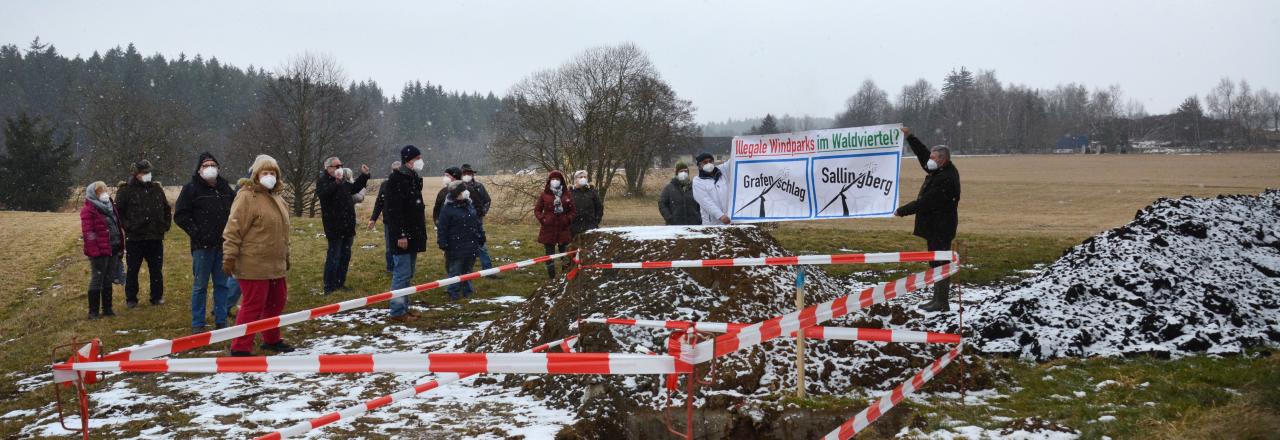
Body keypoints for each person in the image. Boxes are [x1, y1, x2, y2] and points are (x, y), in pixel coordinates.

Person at [223, 154, 294, 356]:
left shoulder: (278, 198)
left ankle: (271, 339)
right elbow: (233, 229)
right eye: (265, 172)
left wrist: (286, 256)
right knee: (253, 305)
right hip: (252, 262)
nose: (269, 176)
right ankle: (240, 346)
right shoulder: (246, 196)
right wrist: (229, 256)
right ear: (256, 175)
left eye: (273, 173)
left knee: (276, 302)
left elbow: (282, 232)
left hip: (275, 263)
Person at [893, 127, 962, 312]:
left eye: (933, 158)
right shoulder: (939, 169)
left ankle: (941, 302)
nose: (929, 161)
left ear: (943, 159)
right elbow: (923, 155)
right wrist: (910, 137)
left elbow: (925, 202)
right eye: (930, 157)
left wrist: (901, 211)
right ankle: (937, 299)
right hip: (934, 228)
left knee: (940, 263)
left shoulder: (946, 178)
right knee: (935, 262)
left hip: (941, 228)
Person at [174, 152, 240, 332]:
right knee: (200, 286)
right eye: (205, 165)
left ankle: (221, 320)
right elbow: (181, 215)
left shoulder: (225, 188)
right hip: (202, 247)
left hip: (223, 244)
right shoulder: (191, 189)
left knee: (222, 284)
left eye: (213, 165)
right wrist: (196, 232)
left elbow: (236, 211)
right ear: (199, 169)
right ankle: (198, 323)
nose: (210, 168)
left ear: (218, 168)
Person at [116, 159, 171, 307]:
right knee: (133, 270)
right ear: (136, 174)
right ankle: (131, 299)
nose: (148, 175)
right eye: (144, 172)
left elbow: (166, 209)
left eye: (149, 172)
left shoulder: (157, 189)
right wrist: (129, 227)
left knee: (156, 270)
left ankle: (157, 297)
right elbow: (118, 213)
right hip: (135, 239)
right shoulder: (126, 190)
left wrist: (165, 225)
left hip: (155, 237)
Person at [383, 146, 429, 322]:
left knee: (408, 273)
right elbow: (394, 211)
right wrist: (400, 235)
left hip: (414, 233)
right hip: (403, 236)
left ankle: (404, 307)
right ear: (409, 159)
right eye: (418, 157)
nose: (421, 160)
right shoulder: (396, 179)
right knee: (401, 273)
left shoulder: (413, 177)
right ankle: (397, 311)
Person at [316, 156, 370, 294]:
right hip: (334, 226)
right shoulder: (323, 181)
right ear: (328, 168)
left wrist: (364, 176)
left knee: (345, 256)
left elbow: (355, 188)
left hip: (348, 226)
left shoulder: (344, 181)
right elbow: (324, 194)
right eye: (336, 166)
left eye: (341, 165)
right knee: (334, 256)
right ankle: (329, 287)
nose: (340, 168)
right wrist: (336, 183)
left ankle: (340, 283)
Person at [437, 181, 485, 301]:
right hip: (455, 246)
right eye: (463, 190)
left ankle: (467, 291)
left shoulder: (469, 204)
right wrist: (442, 242)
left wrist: (481, 235)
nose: (466, 192)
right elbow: (442, 227)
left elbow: (477, 222)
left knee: (468, 270)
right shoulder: (447, 209)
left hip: (471, 244)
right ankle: (453, 292)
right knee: (455, 270)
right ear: (457, 194)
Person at [81, 181, 123, 320]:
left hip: (112, 247)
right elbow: (89, 233)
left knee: (108, 278)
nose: (104, 193)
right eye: (100, 191)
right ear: (94, 193)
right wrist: (95, 251)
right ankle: (93, 312)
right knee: (97, 279)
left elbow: (116, 225)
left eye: (105, 189)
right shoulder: (89, 210)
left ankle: (107, 308)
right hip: (99, 250)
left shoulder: (110, 206)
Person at [534, 170, 575, 280]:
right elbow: (537, 210)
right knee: (549, 255)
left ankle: (564, 276)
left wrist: (567, 219)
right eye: (553, 179)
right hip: (548, 229)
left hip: (563, 229)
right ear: (549, 181)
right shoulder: (544, 195)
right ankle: (551, 277)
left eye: (557, 179)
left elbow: (573, 211)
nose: (555, 181)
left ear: (561, 181)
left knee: (565, 254)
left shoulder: (567, 194)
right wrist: (543, 219)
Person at [460, 164, 497, 275]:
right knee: (461, 247)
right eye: (465, 173)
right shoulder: (457, 187)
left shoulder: (479, 186)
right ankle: (461, 272)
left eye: (469, 173)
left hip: (476, 221)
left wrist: (482, 213)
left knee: (481, 246)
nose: (467, 175)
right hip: (461, 222)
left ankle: (488, 270)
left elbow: (487, 201)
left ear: (472, 174)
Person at [369, 161, 400, 274]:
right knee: (389, 246)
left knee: (401, 245)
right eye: (394, 170)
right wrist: (373, 218)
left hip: (403, 220)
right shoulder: (385, 185)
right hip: (388, 220)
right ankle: (391, 268)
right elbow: (379, 203)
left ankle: (400, 268)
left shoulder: (405, 183)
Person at [691, 152, 732, 225]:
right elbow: (705, 201)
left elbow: (733, 162)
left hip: (730, 219)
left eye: (710, 161)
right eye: (705, 162)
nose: (709, 164)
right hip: (712, 223)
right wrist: (720, 215)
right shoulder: (697, 181)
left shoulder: (723, 171)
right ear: (700, 166)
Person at [569, 170, 603, 237]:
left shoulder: (592, 192)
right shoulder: (570, 193)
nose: (583, 178)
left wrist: (595, 221)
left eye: (585, 177)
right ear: (575, 179)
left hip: (590, 227)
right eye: (580, 177)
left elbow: (599, 208)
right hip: (574, 228)